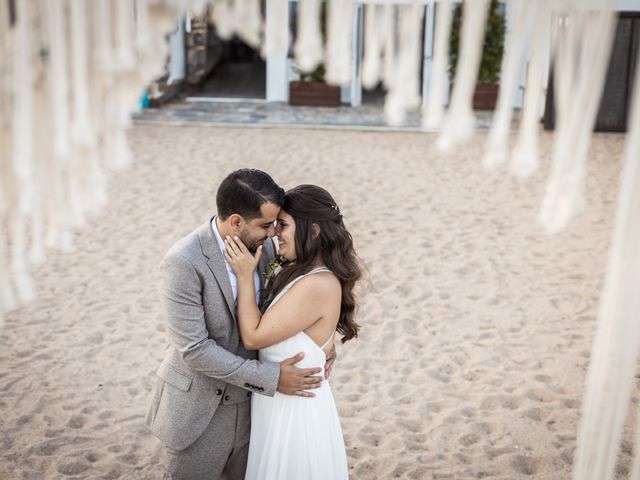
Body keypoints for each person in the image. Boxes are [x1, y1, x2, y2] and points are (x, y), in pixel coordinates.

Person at [145, 170, 336, 480]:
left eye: (276, 224)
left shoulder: (272, 250)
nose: (273, 233)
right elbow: (195, 349)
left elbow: (299, 302)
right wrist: (272, 378)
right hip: (199, 413)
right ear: (235, 222)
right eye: (265, 225)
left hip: (256, 413)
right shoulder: (183, 261)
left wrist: (322, 343)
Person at [224, 184, 363, 480]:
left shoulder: (318, 284)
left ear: (313, 231)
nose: (275, 233)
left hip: (295, 418)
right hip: (277, 408)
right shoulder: (297, 269)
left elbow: (254, 336)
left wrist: (245, 276)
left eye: (283, 225)